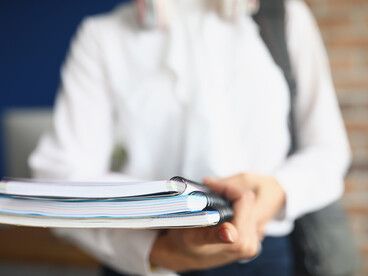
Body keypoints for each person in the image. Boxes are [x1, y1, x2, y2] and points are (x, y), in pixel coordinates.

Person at [29, 0, 351, 275]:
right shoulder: (102, 36)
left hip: (263, 253)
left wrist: (278, 190)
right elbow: (60, 172)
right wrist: (152, 249)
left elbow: (328, 150)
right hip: (146, 259)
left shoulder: (284, 17)